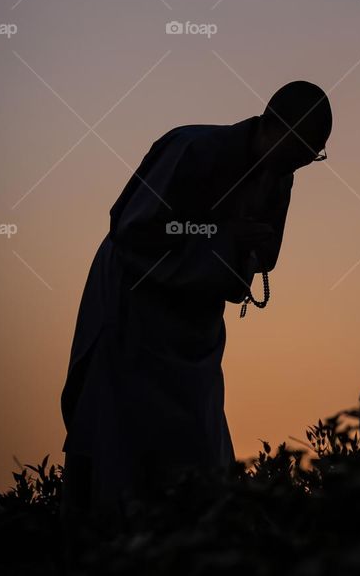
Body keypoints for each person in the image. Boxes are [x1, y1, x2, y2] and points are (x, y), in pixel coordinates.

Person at [59, 80, 332, 529]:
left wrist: (248, 247)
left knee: (200, 446)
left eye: (313, 155)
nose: (301, 161)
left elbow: (263, 255)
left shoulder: (280, 175)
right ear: (273, 125)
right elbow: (131, 226)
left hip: (194, 329)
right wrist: (221, 237)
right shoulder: (193, 148)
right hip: (135, 311)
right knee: (120, 441)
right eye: (301, 147)